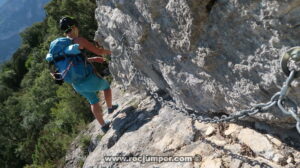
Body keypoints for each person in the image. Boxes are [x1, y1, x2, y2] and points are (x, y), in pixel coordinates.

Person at [59, 16, 118, 133]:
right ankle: (110, 108)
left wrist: (93, 59)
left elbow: (75, 62)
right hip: (88, 78)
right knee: (106, 87)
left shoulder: (64, 44)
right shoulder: (79, 40)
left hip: (76, 84)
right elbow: (100, 51)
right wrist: (113, 51)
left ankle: (103, 125)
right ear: (74, 27)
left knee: (93, 100)